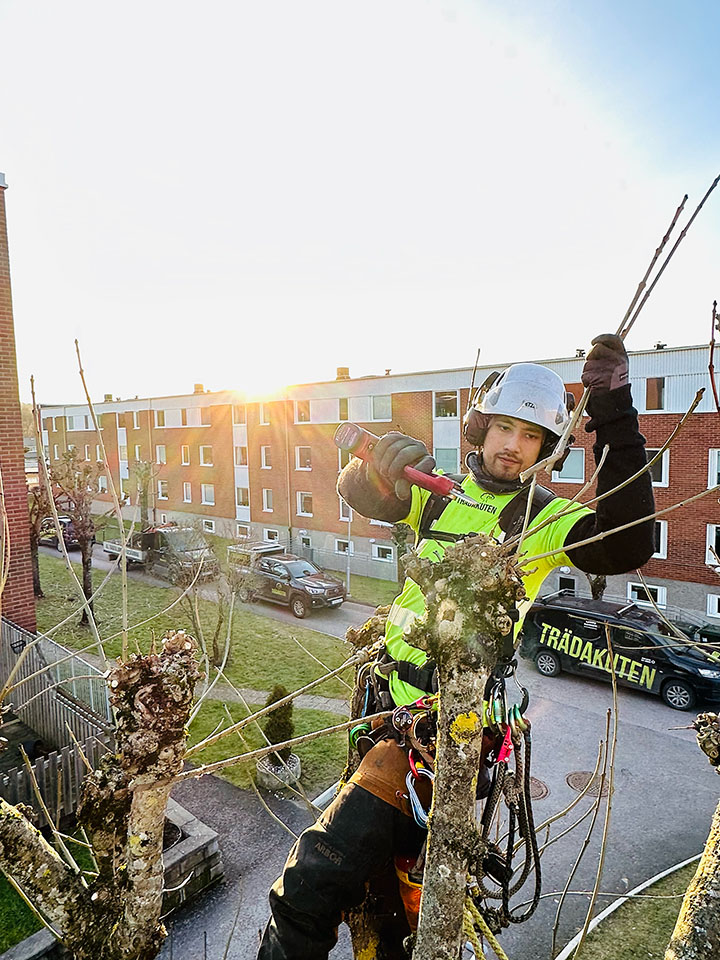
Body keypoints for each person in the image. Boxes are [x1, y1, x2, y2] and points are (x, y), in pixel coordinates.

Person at [257, 334, 655, 960]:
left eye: (530, 437)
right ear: (480, 427)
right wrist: (379, 461)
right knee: (382, 904)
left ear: (544, 449)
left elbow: (630, 541)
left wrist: (614, 411)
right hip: (386, 704)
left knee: (310, 886)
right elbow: (358, 492)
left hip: (446, 732)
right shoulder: (435, 491)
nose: (512, 446)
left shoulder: (542, 519)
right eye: (503, 428)